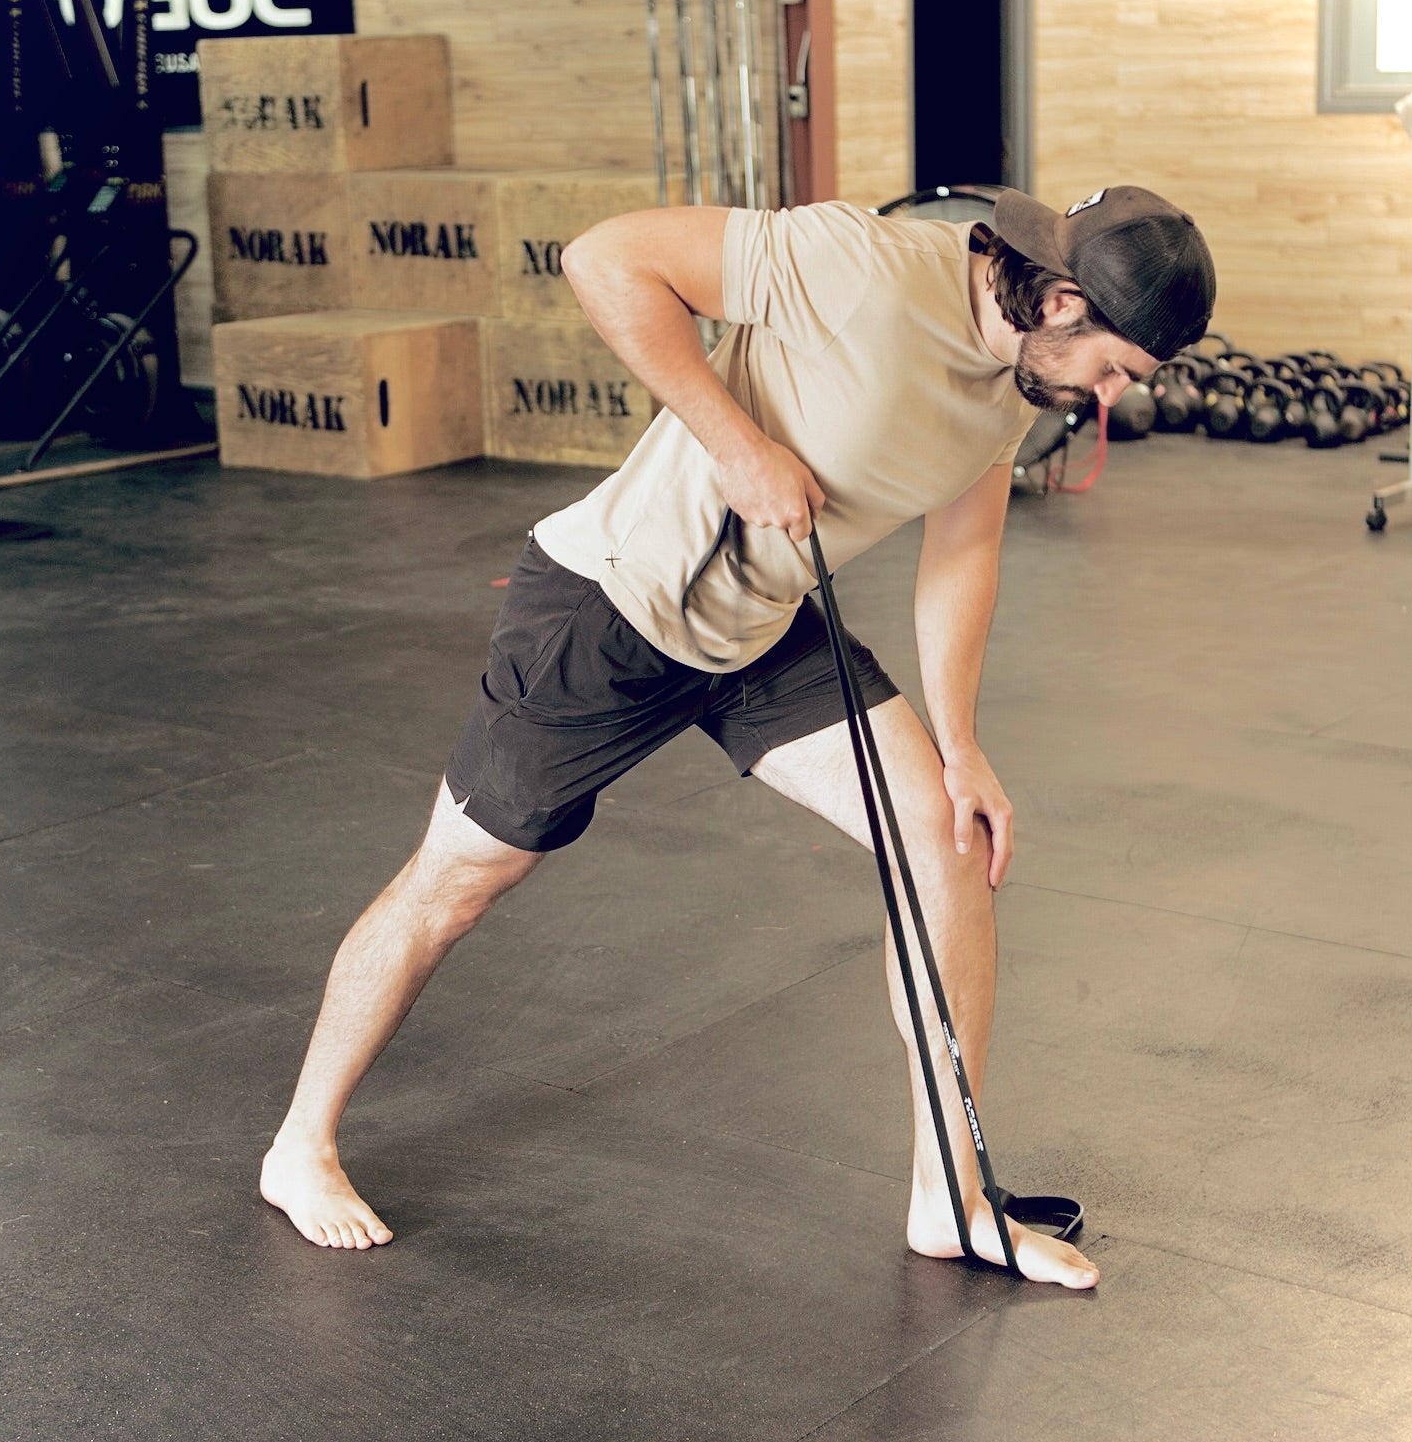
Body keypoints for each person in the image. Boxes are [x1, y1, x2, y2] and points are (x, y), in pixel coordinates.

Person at [260, 185, 1216, 1289]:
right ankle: (300, 1146)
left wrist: (960, 744)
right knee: (454, 886)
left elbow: (963, 553)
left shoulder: (1013, 386)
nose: (1104, 398)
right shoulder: (862, 265)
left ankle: (950, 1200)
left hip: (757, 630)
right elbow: (606, 258)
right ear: (1058, 299)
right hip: (611, 609)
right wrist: (737, 442)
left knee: (944, 839)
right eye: (1112, 370)